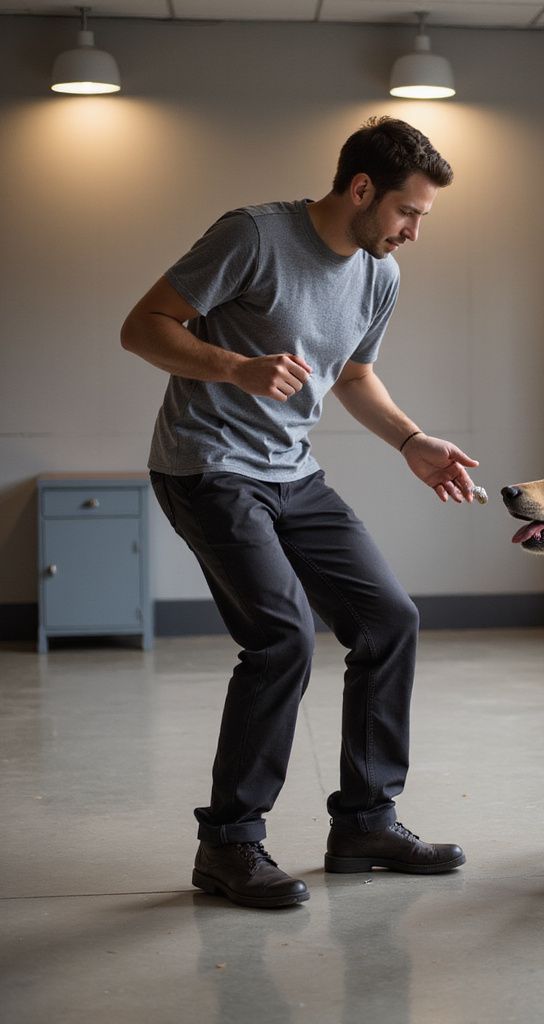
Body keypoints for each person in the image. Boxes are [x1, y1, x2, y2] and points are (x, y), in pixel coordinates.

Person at [121, 116, 476, 909]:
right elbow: (141, 326)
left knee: (390, 618)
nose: (414, 231)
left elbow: (350, 378)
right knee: (281, 635)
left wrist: (412, 441)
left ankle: (365, 822)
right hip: (206, 464)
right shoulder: (253, 235)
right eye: (407, 213)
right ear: (360, 189)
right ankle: (229, 846)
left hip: (291, 473)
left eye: (421, 217)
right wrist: (234, 366)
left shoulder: (378, 274)